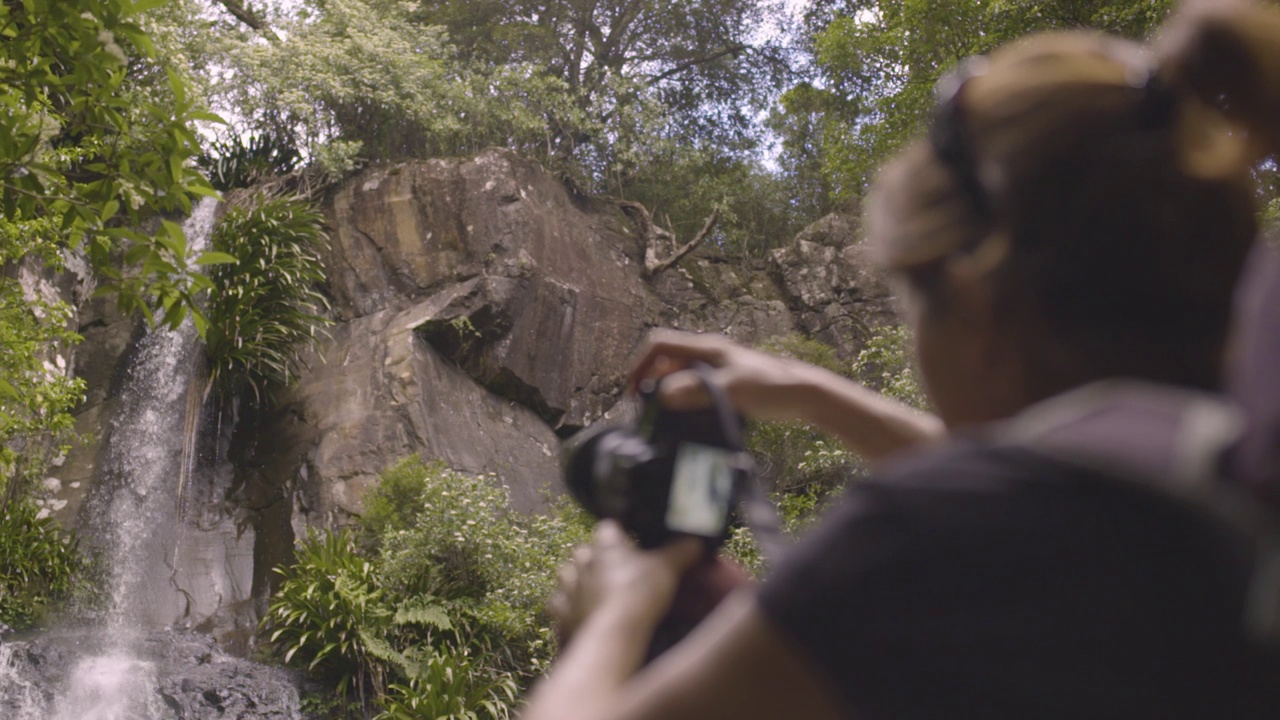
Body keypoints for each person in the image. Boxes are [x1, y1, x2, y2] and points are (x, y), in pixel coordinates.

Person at [521, 1, 1280, 718]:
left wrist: (617, 609)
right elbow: (1057, 496)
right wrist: (813, 393)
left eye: (908, 304)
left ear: (974, 299)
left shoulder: (926, 533)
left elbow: (993, 502)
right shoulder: (1228, 479)